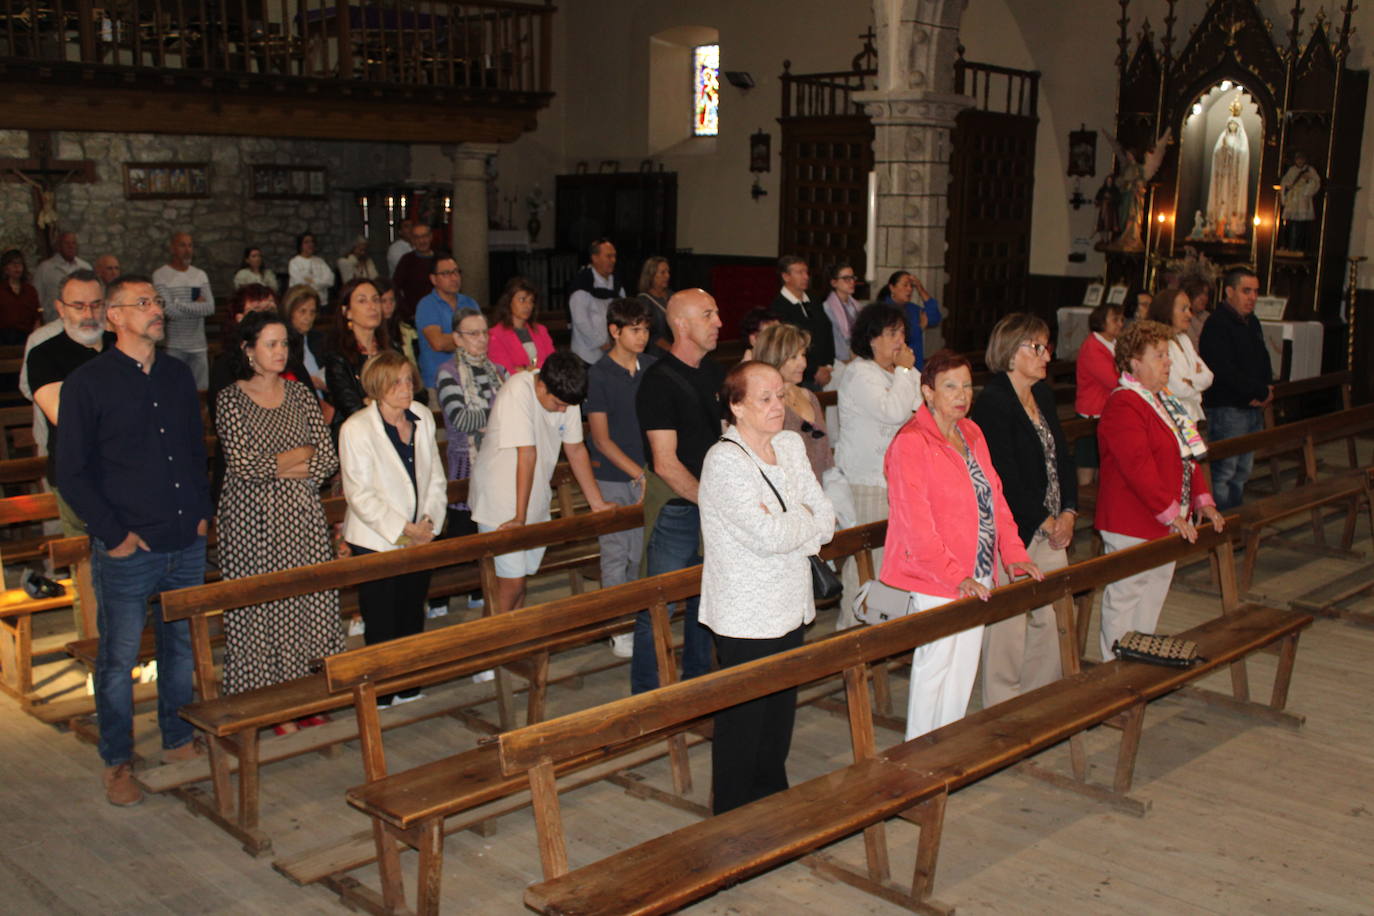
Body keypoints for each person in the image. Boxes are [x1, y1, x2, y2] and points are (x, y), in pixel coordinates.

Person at [57, 274, 211, 806]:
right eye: (143, 303)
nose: (156, 310)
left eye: (156, 302)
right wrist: (115, 536)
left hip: (183, 539)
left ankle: (177, 738)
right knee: (119, 658)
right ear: (115, 317)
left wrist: (200, 513)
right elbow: (72, 472)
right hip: (129, 546)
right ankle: (117, 761)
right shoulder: (89, 383)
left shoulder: (174, 375)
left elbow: (194, 451)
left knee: (180, 652)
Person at [882, 349, 1042, 740]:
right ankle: (919, 755)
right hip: (934, 575)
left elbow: (996, 499)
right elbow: (917, 525)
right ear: (928, 392)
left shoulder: (971, 433)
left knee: (962, 670)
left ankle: (946, 747)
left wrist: (1015, 555)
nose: (962, 394)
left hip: (978, 568)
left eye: (967, 385)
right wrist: (957, 577)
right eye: (950, 386)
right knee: (936, 665)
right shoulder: (911, 443)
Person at [699, 360, 835, 814]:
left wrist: (788, 519)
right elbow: (768, 537)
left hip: (790, 604)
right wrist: (799, 520)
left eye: (781, 395)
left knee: (778, 721)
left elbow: (827, 520)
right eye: (765, 398)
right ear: (736, 406)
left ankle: (771, 810)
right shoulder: (723, 462)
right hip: (746, 614)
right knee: (743, 725)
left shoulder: (792, 446)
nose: (779, 406)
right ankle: (733, 821)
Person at [214, 311, 343, 717]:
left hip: (302, 517)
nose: (280, 351)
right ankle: (265, 705)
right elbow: (244, 466)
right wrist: (298, 454)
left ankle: (310, 699)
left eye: (285, 343)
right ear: (248, 349)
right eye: (271, 343)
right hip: (251, 523)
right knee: (261, 612)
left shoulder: (301, 394)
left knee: (309, 604)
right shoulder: (230, 398)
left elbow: (326, 459)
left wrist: (288, 462)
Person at [1096, 320, 1224, 660]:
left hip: (1167, 518)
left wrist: (1203, 500)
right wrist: (1171, 512)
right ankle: (1114, 672)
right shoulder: (1124, 403)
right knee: (1126, 597)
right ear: (1134, 362)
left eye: (1167, 355)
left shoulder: (1164, 400)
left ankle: (1140, 665)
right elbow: (1137, 468)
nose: (1168, 362)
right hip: (1132, 520)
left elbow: (1190, 453)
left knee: (1151, 599)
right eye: (1159, 356)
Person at [969, 314, 1078, 707]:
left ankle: (1038, 697)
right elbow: (1004, 476)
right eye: (1036, 347)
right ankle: (1001, 703)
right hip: (1014, 528)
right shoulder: (993, 403)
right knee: (1009, 621)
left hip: (1051, 523)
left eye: (1046, 346)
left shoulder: (1042, 395)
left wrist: (1069, 511)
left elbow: (1062, 458)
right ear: (1010, 352)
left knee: (1050, 615)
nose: (1046, 354)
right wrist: (1045, 520)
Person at [338, 350, 448, 706]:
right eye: (395, 382)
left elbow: (434, 478)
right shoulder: (356, 428)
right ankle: (381, 693)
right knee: (381, 617)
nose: (405, 388)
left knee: (412, 610)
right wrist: (405, 530)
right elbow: (360, 494)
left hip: (420, 533)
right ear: (377, 386)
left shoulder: (421, 418)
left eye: (407, 379)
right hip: (376, 539)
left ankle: (409, 685)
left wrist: (430, 521)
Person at [469, 351, 611, 614]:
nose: (562, 411)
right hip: (501, 502)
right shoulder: (518, 389)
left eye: (567, 406)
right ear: (542, 385)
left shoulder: (565, 394)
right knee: (510, 584)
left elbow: (576, 449)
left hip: (533, 497)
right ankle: (489, 649)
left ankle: (512, 647)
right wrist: (519, 518)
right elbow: (527, 453)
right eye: (558, 404)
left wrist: (597, 504)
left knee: (520, 586)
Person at [632, 288, 724, 693]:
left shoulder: (715, 373)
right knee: (659, 603)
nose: (719, 322)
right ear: (682, 324)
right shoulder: (657, 380)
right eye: (708, 314)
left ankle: (697, 688)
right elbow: (666, 462)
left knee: (708, 601)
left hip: (712, 502)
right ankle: (647, 698)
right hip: (676, 508)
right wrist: (713, 500)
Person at [25, 269, 112, 636]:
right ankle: (97, 652)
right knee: (88, 568)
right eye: (79, 305)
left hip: (131, 475)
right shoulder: (46, 354)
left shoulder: (123, 346)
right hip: (78, 477)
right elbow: (63, 415)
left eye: (95, 304)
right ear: (61, 308)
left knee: (136, 567)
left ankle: (141, 648)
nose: (88, 313)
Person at [833, 303, 919, 629]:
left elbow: (924, 405)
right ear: (872, 339)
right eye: (892, 333)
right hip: (867, 483)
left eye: (902, 333)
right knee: (865, 564)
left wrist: (906, 375)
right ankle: (852, 639)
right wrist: (905, 373)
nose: (900, 340)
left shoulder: (898, 373)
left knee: (892, 564)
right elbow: (895, 411)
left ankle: (880, 632)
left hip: (899, 482)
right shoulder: (859, 373)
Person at [585, 297, 656, 657]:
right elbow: (600, 439)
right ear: (615, 331)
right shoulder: (599, 374)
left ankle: (639, 617)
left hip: (649, 472)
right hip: (615, 476)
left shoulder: (652, 368)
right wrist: (637, 474)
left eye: (646, 329)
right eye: (635, 330)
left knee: (643, 552)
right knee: (616, 554)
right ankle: (618, 626)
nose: (642, 336)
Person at [1199, 267, 1272, 510]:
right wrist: (1256, 392)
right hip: (1227, 409)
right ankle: (1223, 529)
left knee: (1243, 471)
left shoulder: (1252, 322)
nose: (1252, 297)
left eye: (1256, 292)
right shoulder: (1217, 324)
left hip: (1251, 407)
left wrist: (1265, 389)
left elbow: (1262, 359)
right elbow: (1223, 371)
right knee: (1224, 473)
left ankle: (1235, 523)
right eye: (1246, 291)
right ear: (1230, 291)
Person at [435, 307, 506, 545]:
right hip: (467, 466)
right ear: (457, 338)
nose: (482, 339)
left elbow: (511, 414)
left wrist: (491, 418)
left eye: (485, 333)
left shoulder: (498, 370)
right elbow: (462, 420)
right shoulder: (448, 373)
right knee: (465, 542)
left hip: (498, 463)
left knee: (496, 538)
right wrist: (498, 415)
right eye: (474, 334)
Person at [753, 322, 832, 484]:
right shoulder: (764, 405)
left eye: (803, 355)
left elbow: (825, 454)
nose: (803, 363)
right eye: (794, 357)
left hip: (820, 492)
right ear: (774, 357)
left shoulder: (809, 396)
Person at [324, 278, 392, 431]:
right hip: (358, 435)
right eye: (362, 301)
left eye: (376, 300)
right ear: (346, 312)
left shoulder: (391, 349)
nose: (372, 306)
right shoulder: (337, 357)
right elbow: (352, 408)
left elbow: (417, 393)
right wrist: (389, 403)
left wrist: (372, 401)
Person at [151, 231, 214, 389]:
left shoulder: (200, 275)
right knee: (173, 392)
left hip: (199, 346)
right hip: (175, 346)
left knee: (201, 393)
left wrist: (179, 303)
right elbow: (169, 311)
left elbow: (210, 308)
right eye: (182, 245)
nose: (187, 250)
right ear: (172, 248)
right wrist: (196, 305)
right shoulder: (161, 275)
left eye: (190, 245)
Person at [1073, 300, 1124, 487]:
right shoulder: (1093, 347)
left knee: (1106, 466)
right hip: (1092, 412)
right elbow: (1113, 380)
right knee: (1088, 466)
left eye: (1121, 319)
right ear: (1101, 321)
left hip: (1109, 411)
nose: (1120, 324)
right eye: (1115, 320)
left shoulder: (1116, 344)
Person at [415, 255, 479, 395]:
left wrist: (461, 339)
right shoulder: (427, 305)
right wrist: (470, 338)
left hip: (471, 380)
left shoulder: (470, 303)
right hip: (438, 382)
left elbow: (482, 340)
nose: (454, 277)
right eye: (446, 274)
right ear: (433, 279)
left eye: (456, 272)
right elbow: (438, 343)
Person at [1148, 287, 1213, 423]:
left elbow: (1208, 376)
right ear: (1166, 310)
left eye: (1189, 309)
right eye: (1183, 309)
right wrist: (1196, 380)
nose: (1189, 315)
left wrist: (1190, 380)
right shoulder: (1156, 343)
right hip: (1169, 417)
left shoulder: (1184, 339)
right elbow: (1176, 387)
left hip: (1193, 416)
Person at [768, 255, 834, 389]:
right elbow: (786, 345)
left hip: (823, 372)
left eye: (806, 272)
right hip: (799, 374)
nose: (806, 277)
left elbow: (827, 330)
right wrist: (814, 370)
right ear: (786, 277)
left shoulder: (814, 300)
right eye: (799, 272)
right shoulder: (778, 307)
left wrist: (827, 365)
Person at [569, 238, 626, 364]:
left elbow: (624, 312)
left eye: (614, 256)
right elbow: (580, 320)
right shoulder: (583, 283)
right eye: (608, 256)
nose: (613, 260)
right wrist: (601, 342)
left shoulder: (616, 283)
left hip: (613, 350)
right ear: (595, 258)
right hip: (586, 353)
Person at [487, 276, 554, 375]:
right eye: (522, 300)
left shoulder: (541, 330)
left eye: (531, 301)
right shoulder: (495, 335)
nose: (528, 306)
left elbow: (553, 365)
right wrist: (537, 368)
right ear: (508, 301)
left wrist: (525, 368)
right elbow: (505, 372)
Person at [878, 270, 941, 371]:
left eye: (912, 286)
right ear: (892, 288)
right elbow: (898, 338)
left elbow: (935, 318)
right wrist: (919, 328)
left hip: (916, 367)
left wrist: (920, 289)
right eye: (905, 285)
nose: (910, 289)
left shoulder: (912, 308)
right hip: (894, 367)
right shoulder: (883, 310)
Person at [283, 284, 328, 400]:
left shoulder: (319, 339)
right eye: (302, 311)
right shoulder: (282, 344)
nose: (308, 317)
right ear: (290, 311)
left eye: (312, 312)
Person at [33, 230, 91, 322]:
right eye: (67, 243)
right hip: (54, 320)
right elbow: (37, 297)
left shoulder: (85, 267)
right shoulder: (45, 268)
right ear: (59, 246)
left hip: (81, 320)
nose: (70, 246)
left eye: (73, 243)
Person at [391, 223, 437, 320]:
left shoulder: (440, 258)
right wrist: (408, 313)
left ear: (430, 237)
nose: (421, 241)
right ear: (412, 240)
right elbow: (395, 288)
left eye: (424, 236)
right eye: (417, 237)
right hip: (416, 315)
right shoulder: (406, 261)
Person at [1279, 151, 1321, 252]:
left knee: (1301, 226)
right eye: (1298, 159)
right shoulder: (1292, 170)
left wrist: (1307, 182)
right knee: (1288, 224)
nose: (1299, 161)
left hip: (1303, 200)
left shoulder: (1310, 170)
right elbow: (1284, 182)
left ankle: (1299, 248)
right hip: (1293, 200)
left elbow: (1316, 183)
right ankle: (1287, 246)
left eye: (1301, 158)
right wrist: (1287, 186)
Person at [822, 263, 861, 364]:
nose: (852, 282)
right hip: (840, 361)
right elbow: (835, 340)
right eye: (846, 278)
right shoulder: (828, 307)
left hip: (858, 356)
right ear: (834, 283)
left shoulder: (857, 306)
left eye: (853, 278)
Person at [0, 249, 40, 343]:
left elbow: (37, 317)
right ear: (5, 268)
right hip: (3, 338)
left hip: (27, 337)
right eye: (13, 264)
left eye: (20, 263)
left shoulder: (30, 291)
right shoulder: (1, 290)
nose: (17, 267)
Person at [637, 255, 673, 354]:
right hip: (656, 353)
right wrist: (670, 348)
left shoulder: (673, 296)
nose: (667, 276)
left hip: (674, 350)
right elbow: (648, 331)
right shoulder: (644, 300)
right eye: (662, 272)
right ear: (651, 275)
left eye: (668, 272)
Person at [288, 232, 335, 304]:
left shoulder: (320, 261)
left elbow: (330, 280)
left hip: (321, 302)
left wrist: (312, 281)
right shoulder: (294, 262)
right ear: (300, 245)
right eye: (306, 242)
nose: (310, 244)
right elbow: (300, 283)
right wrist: (319, 283)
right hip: (302, 302)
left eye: (312, 241)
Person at [1181, 276, 1212, 348]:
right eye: (1198, 293)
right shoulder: (1182, 318)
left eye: (1206, 294)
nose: (1203, 298)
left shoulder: (1209, 318)